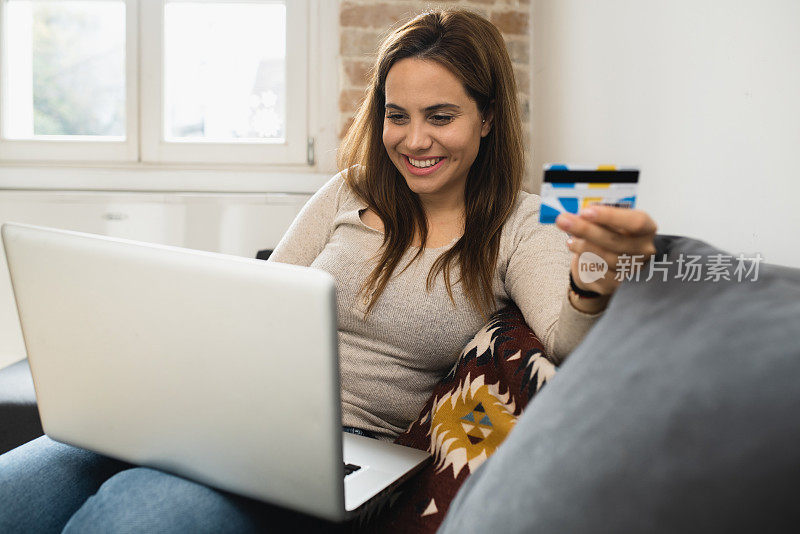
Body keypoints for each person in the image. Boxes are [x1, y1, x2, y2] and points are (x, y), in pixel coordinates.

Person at [0, 9, 657, 532]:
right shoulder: (351, 189)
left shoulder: (520, 224)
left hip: (334, 460)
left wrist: (595, 277)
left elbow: (567, 338)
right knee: (15, 494)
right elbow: (256, 303)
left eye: (441, 116)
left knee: (131, 515)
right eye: (396, 116)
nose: (413, 139)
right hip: (224, 415)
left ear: (487, 118)